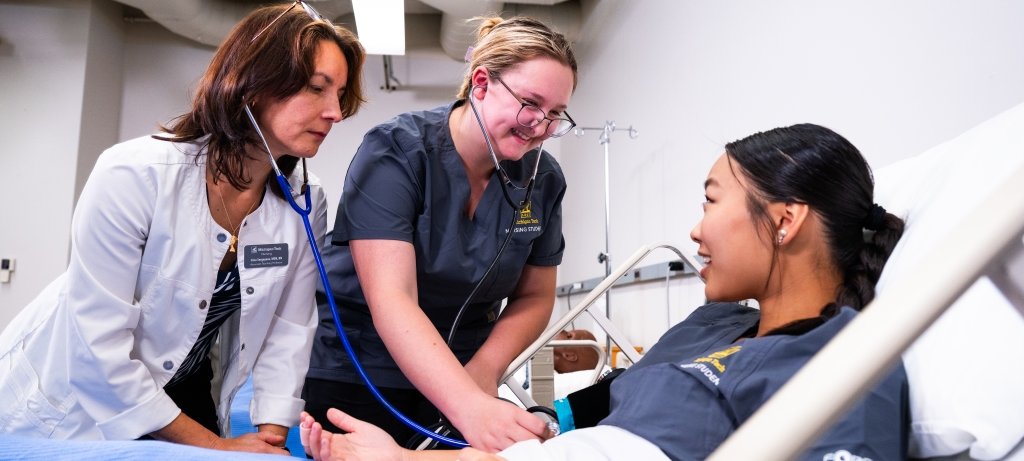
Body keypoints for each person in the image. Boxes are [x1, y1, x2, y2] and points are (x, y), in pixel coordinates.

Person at [297, 123, 910, 461]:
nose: (695, 229)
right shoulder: (712, 326)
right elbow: (596, 413)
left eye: (711, 199)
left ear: (784, 220)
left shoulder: (843, 366)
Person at [0, 2, 364, 455]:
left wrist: (270, 438)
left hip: (184, 393)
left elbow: (289, 329)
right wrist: (216, 447)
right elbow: (97, 347)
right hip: (71, 403)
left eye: (340, 94)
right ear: (251, 85)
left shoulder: (304, 201)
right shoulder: (134, 174)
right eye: (316, 88)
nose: (335, 111)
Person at [302, 15, 577, 452]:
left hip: (468, 374)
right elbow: (392, 298)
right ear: (482, 84)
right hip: (363, 373)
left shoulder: (543, 179)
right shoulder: (396, 153)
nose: (541, 125)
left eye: (556, 114)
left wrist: (481, 376)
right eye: (530, 103)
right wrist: (468, 404)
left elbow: (535, 297)